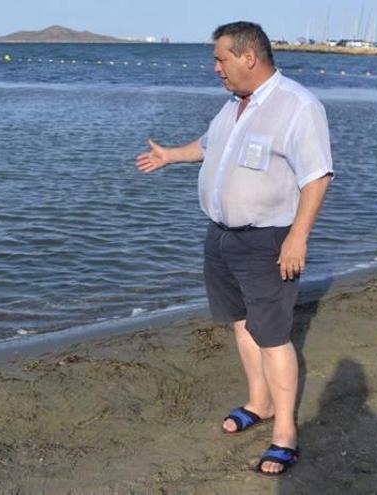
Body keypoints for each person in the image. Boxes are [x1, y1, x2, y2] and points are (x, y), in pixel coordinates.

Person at [135, 21, 333, 477]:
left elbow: (317, 176)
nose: (216, 67)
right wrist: (170, 156)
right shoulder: (233, 106)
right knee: (241, 324)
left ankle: (284, 431)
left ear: (249, 57)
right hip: (221, 236)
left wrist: (297, 237)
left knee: (274, 335)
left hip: (268, 239)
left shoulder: (297, 106)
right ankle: (259, 403)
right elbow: (208, 148)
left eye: (221, 58)